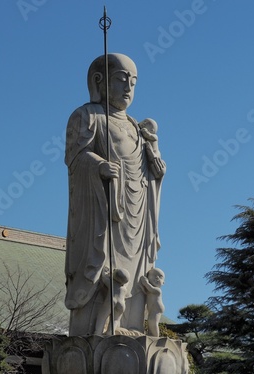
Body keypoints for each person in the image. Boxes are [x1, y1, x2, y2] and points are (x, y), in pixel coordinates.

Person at [64, 53, 166, 336]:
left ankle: (132, 325)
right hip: (104, 210)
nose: (129, 88)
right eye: (121, 79)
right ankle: (101, 329)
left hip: (137, 211)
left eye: (133, 82)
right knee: (108, 267)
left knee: (137, 269)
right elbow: (75, 158)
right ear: (99, 81)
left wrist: (156, 166)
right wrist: (98, 165)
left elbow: (148, 170)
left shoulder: (136, 126)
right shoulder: (87, 116)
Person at [94, 267, 130, 335]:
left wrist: (105, 271)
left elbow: (104, 278)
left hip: (112, 300)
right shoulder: (124, 288)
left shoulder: (112, 283)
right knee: (115, 320)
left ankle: (98, 332)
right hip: (122, 304)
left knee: (102, 316)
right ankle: (110, 333)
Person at [140, 268, 165, 337]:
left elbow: (150, 288)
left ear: (163, 282)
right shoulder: (149, 290)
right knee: (150, 321)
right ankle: (151, 334)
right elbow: (147, 291)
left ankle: (156, 336)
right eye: (154, 275)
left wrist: (145, 283)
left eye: (160, 277)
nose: (157, 278)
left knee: (153, 322)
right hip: (152, 308)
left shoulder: (158, 290)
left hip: (157, 308)